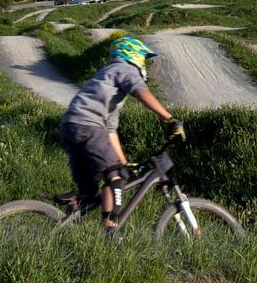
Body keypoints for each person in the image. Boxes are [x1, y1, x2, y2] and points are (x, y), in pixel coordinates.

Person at [58, 36, 185, 237]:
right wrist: (170, 119)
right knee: (115, 177)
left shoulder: (106, 79)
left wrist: (123, 162)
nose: (144, 64)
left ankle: (70, 214)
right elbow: (141, 92)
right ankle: (111, 231)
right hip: (88, 126)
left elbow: (109, 131)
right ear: (133, 55)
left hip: (70, 127)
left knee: (91, 191)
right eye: (144, 58)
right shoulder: (125, 69)